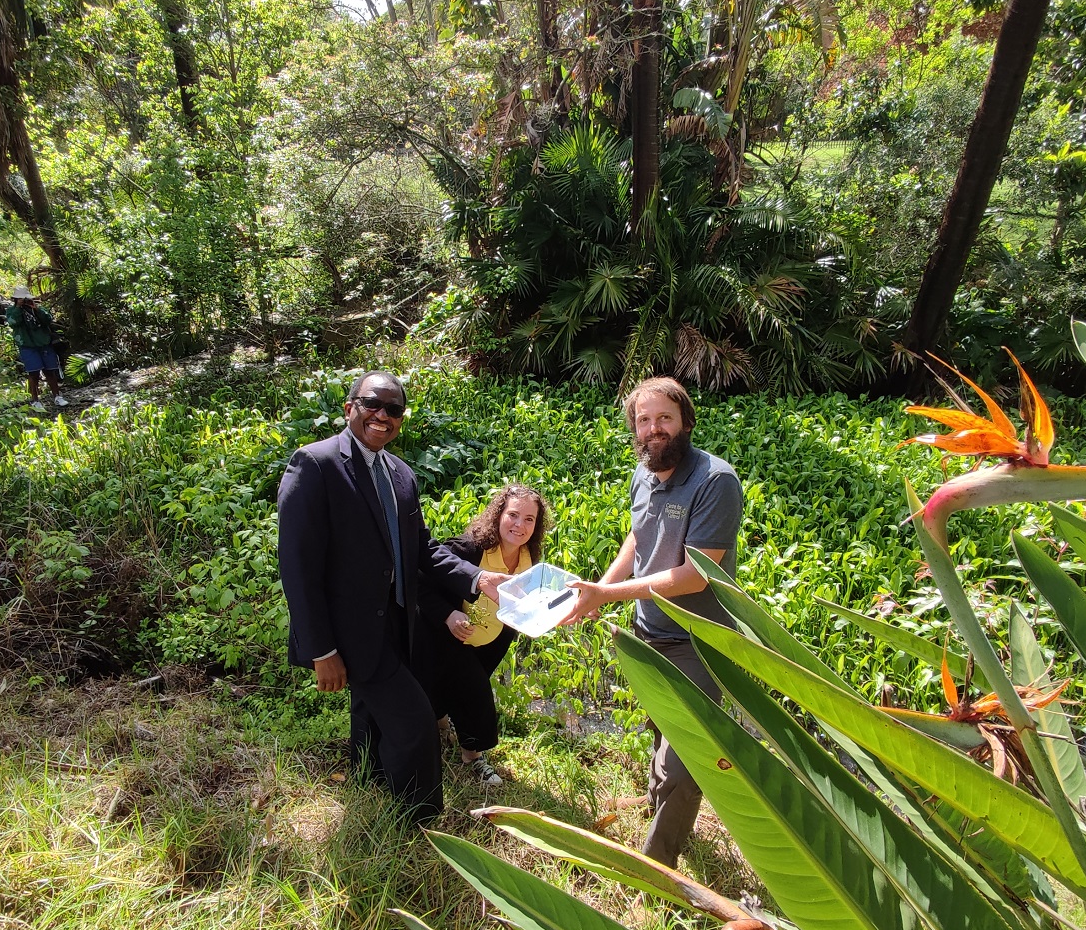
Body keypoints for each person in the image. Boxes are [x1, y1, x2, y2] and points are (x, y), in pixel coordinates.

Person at [276, 370, 509, 824]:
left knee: (370, 712)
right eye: (372, 405)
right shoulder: (315, 464)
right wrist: (322, 649)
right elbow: (298, 569)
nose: (383, 416)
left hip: (399, 623)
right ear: (350, 409)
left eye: (394, 409)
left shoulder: (401, 474)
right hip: (349, 632)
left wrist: (478, 579)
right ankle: (421, 825)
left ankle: (366, 785)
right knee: (415, 724)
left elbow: (420, 550)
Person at [561, 377, 743, 867]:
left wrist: (609, 593)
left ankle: (657, 866)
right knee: (661, 724)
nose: (653, 428)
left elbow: (693, 576)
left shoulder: (714, 481)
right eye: (643, 420)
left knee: (688, 755)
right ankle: (653, 797)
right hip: (649, 630)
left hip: (697, 637)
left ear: (685, 420)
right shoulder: (644, 473)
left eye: (664, 417)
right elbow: (638, 539)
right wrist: (598, 591)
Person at [415, 484, 553, 788]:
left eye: (529, 519)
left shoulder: (530, 553)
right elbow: (422, 578)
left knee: (455, 689)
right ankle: (472, 756)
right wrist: (449, 615)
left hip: (494, 638)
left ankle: (441, 728)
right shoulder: (470, 548)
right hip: (453, 635)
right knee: (475, 696)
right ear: (498, 515)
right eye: (513, 515)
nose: (520, 525)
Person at [5, 285, 67, 411]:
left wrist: (37, 309)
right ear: (16, 299)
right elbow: (12, 322)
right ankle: (35, 400)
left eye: (25, 298)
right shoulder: (12, 311)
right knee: (33, 373)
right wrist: (18, 307)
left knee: (50, 371)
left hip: (44, 343)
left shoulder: (36, 308)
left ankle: (57, 396)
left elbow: (47, 319)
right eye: (21, 299)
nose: (24, 301)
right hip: (27, 346)